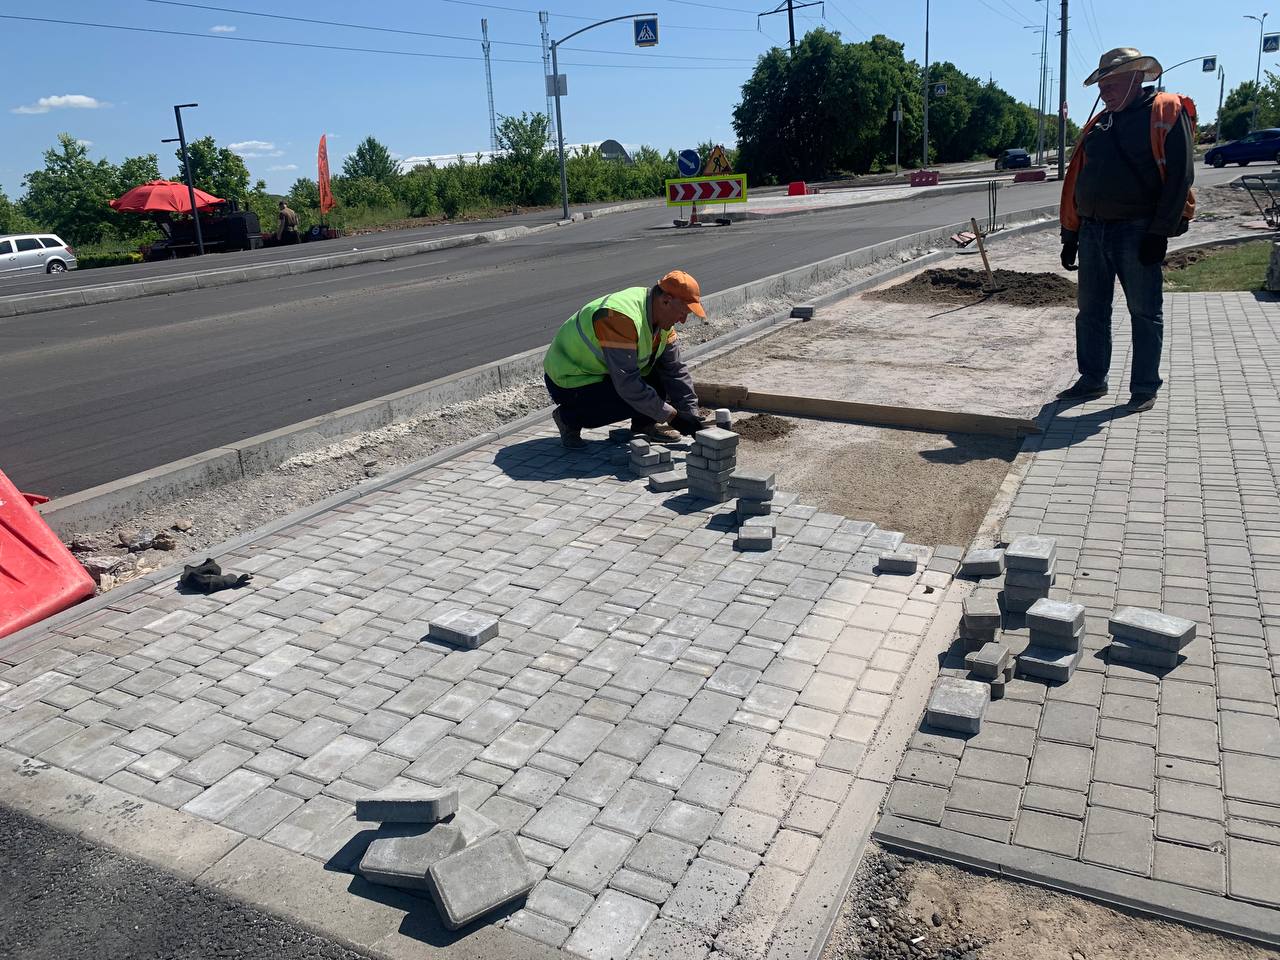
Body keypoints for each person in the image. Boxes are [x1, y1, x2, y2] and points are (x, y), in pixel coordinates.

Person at [1058, 46, 1195, 413]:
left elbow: (1180, 177)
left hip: (1138, 230)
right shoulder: (1100, 123)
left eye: (1112, 83)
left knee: (1144, 312)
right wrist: (1070, 234)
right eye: (1102, 84)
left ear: (1136, 78)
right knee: (1090, 312)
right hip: (1092, 230)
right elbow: (1078, 178)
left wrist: (1158, 233)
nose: (1105, 91)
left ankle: (1144, 387)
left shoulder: (1164, 112)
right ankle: (1092, 379)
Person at [544, 270, 710, 448]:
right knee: (628, 400)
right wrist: (674, 417)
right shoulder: (619, 317)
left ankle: (643, 427)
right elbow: (628, 385)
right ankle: (568, 419)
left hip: (606, 373)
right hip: (570, 380)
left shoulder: (662, 320)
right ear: (666, 300)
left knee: (661, 379)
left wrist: (691, 416)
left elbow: (675, 371)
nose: (683, 320)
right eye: (683, 312)